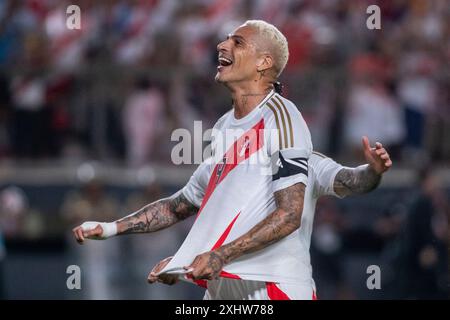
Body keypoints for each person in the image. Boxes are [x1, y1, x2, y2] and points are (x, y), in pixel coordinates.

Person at [74, 20, 316, 300]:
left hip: (271, 286)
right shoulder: (224, 125)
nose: (222, 45)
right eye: (226, 39)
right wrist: (112, 227)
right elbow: (181, 205)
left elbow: (289, 214)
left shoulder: (283, 117)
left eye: (237, 42)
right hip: (223, 284)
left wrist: (219, 256)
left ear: (263, 62)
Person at [149, 136, 393, 299]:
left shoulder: (307, 162)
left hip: (279, 285)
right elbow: (215, 236)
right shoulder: (224, 171)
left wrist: (373, 171)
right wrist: (180, 264)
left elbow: (354, 181)